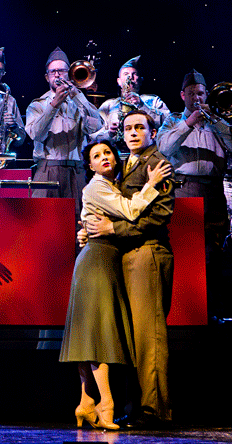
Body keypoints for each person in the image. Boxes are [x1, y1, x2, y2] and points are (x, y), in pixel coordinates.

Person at [60, 138, 171, 430]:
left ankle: (86, 403)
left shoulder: (110, 185)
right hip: (97, 260)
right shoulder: (98, 186)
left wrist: (86, 230)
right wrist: (153, 183)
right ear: (90, 165)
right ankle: (104, 404)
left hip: (104, 257)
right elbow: (131, 210)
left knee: (91, 334)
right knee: (99, 334)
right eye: (97, 155)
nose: (104, 157)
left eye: (108, 152)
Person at [84, 109, 175, 427]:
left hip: (147, 254)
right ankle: (136, 407)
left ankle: (155, 410)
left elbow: (158, 216)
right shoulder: (125, 165)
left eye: (140, 127)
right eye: (128, 128)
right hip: (125, 258)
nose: (133, 132)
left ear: (152, 131)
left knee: (149, 336)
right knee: (133, 338)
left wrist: (113, 230)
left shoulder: (157, 164)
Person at [157, 69, 232, 318]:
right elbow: (164, 147)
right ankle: (183, 311)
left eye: (200, 93)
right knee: (185, 251)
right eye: (191, 94)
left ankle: (210, 311)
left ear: (206, 94)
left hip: (213, 189)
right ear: (182, 95)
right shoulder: (172, 120)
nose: (196, 98)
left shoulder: (217, 121)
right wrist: (189, 123)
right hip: (184, 188)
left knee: (213, 251)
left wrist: (217, 122)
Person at [26, 47, 103, 216]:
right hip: (47, 169)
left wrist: (78, 96)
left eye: (62, 71)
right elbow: (35, 134)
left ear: (69, 74)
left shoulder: (79, 101)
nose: (58, 75)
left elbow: (96, 126)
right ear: (47, 77)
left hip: (76, 171)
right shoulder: (37, 105)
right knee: (45, 220)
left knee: (78, 222)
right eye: (53, 72)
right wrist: (54, 105)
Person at [92, 56, 170, 149]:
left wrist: (142, 106)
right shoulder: (108, 105)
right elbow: (93, 135)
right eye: (126, 74)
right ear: (119, 81)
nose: (130, 77)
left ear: (140, 80)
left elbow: (168, 123)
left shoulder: (153, 100)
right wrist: (109, 133)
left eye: (134, 74)